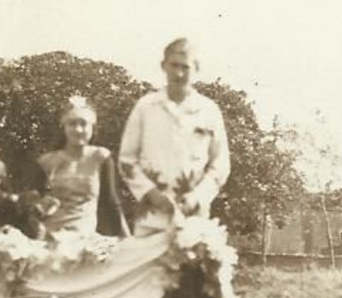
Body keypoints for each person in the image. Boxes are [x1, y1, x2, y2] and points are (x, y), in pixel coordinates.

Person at [118, 37, 231, 235]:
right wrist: (150, 193)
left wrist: (198, 196)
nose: (179, 73)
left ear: (196, 68)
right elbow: (127, 160)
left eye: (185, 67)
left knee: (193, 265)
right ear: (164, 66)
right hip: (151, 218)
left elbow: (220, 164)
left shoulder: (208, 110)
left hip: (193, 220)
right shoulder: (145, 107)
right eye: (174, 65)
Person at [29, 95, 128, 238]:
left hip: (84, 238)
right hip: (50, 238)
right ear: (64, 126)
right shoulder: (47, 162)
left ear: (92, 126)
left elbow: (111, 202)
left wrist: (129, 240)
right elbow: (33, 205)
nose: (78, 129)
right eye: (72, 124)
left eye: (83, 124)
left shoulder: (100, 157)